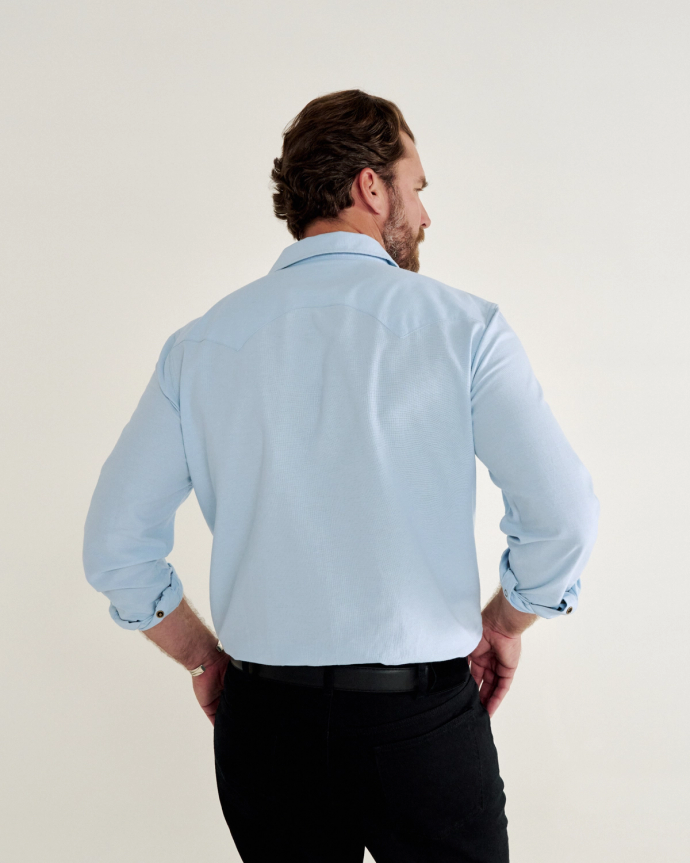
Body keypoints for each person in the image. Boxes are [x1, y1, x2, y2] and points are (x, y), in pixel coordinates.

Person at [83, 89, 600, 862]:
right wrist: (504, 623)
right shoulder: (465, 328)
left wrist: (204, 656)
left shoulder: (200, 346)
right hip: (423, 725)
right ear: (370, 186)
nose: (424, 214)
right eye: (417, 187)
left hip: (266, 728)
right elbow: (563, 517)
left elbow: (115, 546)